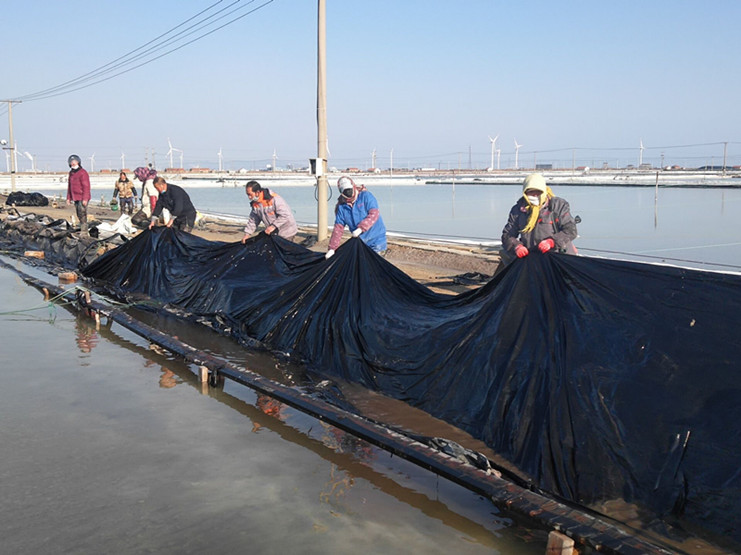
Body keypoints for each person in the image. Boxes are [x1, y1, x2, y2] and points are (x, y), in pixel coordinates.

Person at [501, 173, 578, 260]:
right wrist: (516, 246)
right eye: (531, 192)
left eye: (538, 192)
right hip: (533, 257)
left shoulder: (558, 206)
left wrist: (551, 242)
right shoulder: (518, 209)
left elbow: (571, 230)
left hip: (558, 256)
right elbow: (507, 235)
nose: (535, 195)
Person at [326, 176, 387, 258]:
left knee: (374, 263)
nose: (348, 193)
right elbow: (338, 228)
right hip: (360, 243)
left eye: (349, 190)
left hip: (376, 240)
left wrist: (361, 228)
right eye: (345, 192)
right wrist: (332, 248)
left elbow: (374, 214)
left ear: (353, 187)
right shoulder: (342, 207)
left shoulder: (366, 196)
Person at [66, 154, 91, 235]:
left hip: (82, 197)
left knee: (82, 213)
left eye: (75, 162)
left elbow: (86, 186)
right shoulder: (71, 173)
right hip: (75, 197)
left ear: (78, 162)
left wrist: (85, 199)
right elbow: (70, 186)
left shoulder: (83, 172)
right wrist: (68, 198)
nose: (73, 163)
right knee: (79, 214)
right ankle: (82, 228)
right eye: (71, 162)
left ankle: (84, 231)